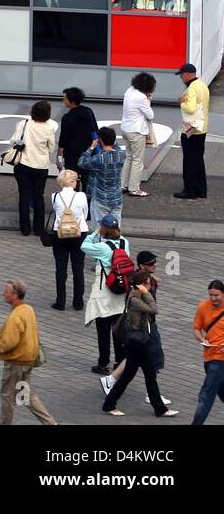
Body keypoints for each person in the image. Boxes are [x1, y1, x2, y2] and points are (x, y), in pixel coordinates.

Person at [102, 270, 176, 417]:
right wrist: (147, 294)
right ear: (141, 285)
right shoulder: (135, 299)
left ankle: (110, 404)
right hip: (137, 343)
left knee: (140, 375)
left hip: (140, 342)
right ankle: (110, 404)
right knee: (142, 375)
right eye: (148, 284)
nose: (150, 287)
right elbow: (154, 309)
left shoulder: (137, 295)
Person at [0, 279, 56, 424]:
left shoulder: (15, 316)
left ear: (15, 295)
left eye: (6, 292)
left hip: (16, 364)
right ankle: (51, 423)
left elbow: (9, 343)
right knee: (24, 395)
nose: (3, 294)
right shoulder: (28, 309)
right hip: (28, 361)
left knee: (8, 397)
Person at [82, 214, 130, 376]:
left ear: (104, 229)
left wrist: (95, 233)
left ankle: (103, 363)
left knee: (103, 331)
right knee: (118, 330)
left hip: (104, 292)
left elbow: (84, 245)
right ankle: (119, 362)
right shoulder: (125, 243)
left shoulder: (103, 248)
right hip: (121, 292)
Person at [11, 101, 57, 237]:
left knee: (24, 195)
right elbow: (52, 148)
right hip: (40, 166)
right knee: (39, 196)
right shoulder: (49, 128)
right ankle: (39, 229)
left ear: (32, 111)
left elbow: (13, 141)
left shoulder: (23, 124)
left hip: (23, 164)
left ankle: (25, 229)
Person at [49, 170, 89, 311]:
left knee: (60, 269)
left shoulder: (55, 196)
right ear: (73, 182)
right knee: (78, 269)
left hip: (59, 234)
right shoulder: (81, 196)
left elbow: (55, 211)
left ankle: (60, 301)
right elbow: (85, 213)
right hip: (79, 233)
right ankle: (78, 302)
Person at [191, 279, 224, 425]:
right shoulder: (203, 306)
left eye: (216, 295)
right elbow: (197, 328)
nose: (213, 299)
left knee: (206, 394)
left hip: (220, 358)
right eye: (211, 295)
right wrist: (201, 339)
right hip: (209, 356)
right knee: (222, 391)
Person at [119, 72, 156, 197]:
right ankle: (134, 188)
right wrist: (149, 99)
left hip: (125, 129)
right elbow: (150, 115)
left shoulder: (129, 91)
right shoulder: (141, 97)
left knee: (129, 157)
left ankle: (123, 185)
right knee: (137, 161)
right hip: (136, 131)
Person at [175, 62, 209, 199]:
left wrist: (182, 103)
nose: (181, 78)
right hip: (202, 128)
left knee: (189, 161)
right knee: (198, 160)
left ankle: (190, 190)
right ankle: (201, 189)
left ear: (187, 74)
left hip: (192, 130)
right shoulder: (203, 85)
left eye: (182, 75)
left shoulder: (192, 88)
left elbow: (190, 108)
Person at [79, 127, 126, 224]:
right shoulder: (121, 154)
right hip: (116, 197)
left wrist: (91, 147)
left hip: (100, 198)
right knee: (115, 228)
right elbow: (116, 147)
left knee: (99, 231)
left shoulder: (99, 158)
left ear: (100, 140)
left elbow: (81, 163)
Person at [58, 87, 99, 193]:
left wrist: (59, 156)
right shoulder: (88, 111)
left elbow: (63, 139)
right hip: (88, 152)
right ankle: (87, 205)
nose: (63, 101)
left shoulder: (67, 118)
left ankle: (72, 204)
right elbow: (95, 130)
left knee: (71, 181)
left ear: (71, 101)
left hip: (72, 155)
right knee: (88, 182)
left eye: (65, 99)